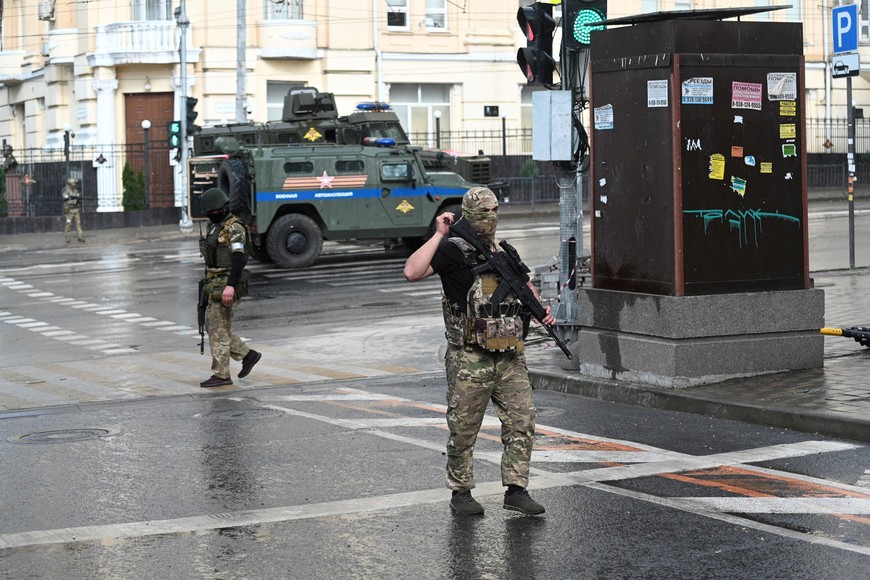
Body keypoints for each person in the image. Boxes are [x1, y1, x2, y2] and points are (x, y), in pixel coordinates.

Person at [403, 186, 555, 516]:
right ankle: (461, 492)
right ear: (470, 215)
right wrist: (438, 234)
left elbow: (524, 284)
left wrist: (541, 309)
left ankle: (516, 489)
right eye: (485, 212)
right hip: (469, 357)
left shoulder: (502, 250)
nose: (492, 217)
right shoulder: (452, 250)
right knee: (463, 428)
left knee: (522, 421)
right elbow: (412, 271)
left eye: (496, 210)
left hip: (510, 355)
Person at [199, 188, 262, 388]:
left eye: (213, 210)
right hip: (213, 282)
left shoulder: (235, 228)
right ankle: (247, 355)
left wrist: (230, 287)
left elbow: (238, 258)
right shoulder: (214, 227)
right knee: (213, 326)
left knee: (219, 329)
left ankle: (222, 374)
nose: (210, 213)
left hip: (226, 283)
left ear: (222, 207)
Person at [61, 178, 85, 243]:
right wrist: (73, 198)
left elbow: (77, 198)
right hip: (69, 210)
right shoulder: (65, 190)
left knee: (78, 223)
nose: (75, 184)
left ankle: (80, 237)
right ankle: (67, 237)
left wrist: (76, 199)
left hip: (76, 209)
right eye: (74, 183)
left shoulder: (75, 190)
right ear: (70, 184)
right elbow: (66, 199)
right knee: (68, 224)